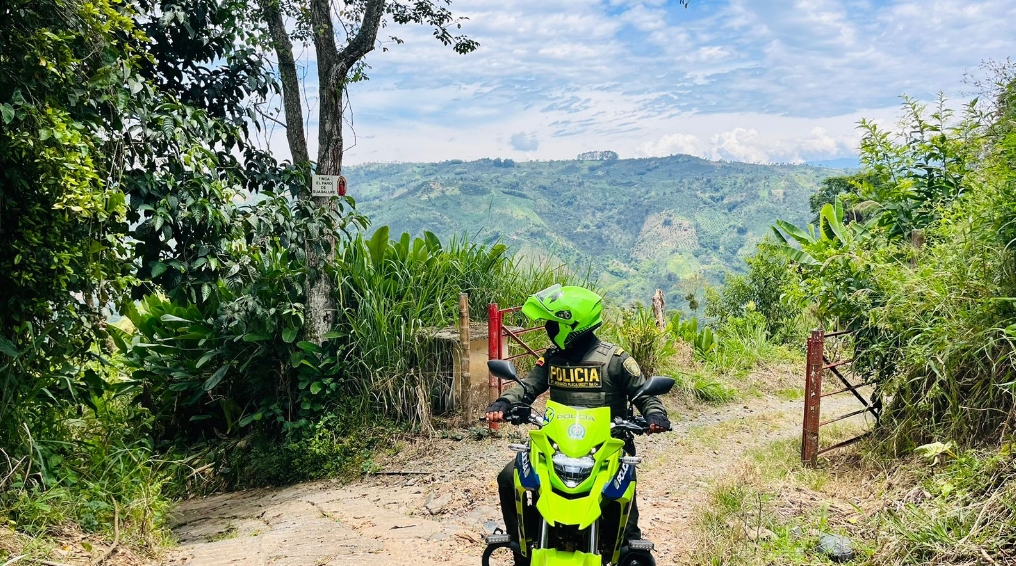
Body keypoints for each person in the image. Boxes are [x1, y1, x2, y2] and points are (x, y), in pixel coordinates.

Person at [485, 284, 671, 564]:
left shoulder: (615, 360)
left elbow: (644, 394)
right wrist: (504, 402)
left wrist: (656, 415)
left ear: (572, 325)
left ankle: (626, 550)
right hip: (556, 446)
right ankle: (521, 545)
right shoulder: (552, 358)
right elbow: (527, 387)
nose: (548, 327)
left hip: (606, 448)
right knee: (510, 477)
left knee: (624, 490)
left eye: (552, 323)